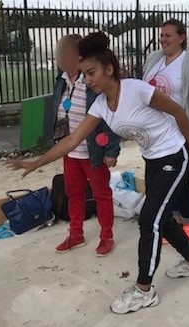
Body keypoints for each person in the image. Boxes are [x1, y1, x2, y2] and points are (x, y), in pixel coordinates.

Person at [7, 32, 189, 314]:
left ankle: (144, 290)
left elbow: (178, 112)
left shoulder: (137, 90)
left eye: (91, 73)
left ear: (109, 69)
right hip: (153, 160)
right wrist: (35, 163)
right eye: (84, 74)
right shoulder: (101, 105)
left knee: (149, 221)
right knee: (161, 221)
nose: (88, 79)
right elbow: (71, 140)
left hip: (176, 156)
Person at [48, 34, 120, 257]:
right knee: (74, 192)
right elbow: (59, 111)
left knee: (101, 194)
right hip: (70, 151)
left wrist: (111, 151)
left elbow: (111, 116)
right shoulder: (61, 80)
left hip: (94, 151)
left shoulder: (91, 80)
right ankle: (75, 234)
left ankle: (106, 237)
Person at [143, 19, 189, 245]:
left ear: (182, 37)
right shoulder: (153, 59)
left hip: (183, 133)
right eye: (161, 35)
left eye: (168, 35)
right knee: (162, 181)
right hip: (157, 135)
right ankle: (169, 224)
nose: (163, 39)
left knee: (182, 181)